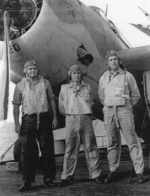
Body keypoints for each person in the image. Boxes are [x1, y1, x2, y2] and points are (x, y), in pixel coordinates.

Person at [98, 50, 146, 184]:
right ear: (107, 63)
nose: (113, 62)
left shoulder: (127, 76)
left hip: (124, 111)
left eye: (115, 59)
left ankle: (139, 171)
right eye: (110, 60)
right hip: (109, 112)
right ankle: (113, 170)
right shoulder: (103, 78)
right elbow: (102, 96)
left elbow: (136, 94)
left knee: (132, 140)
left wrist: (127, 105)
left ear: (119, 61)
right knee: (112, 142)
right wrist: (109, 105)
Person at [12, 59, 58, 191]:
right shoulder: (20, 86)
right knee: (27, 152)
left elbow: (51, 100)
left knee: (47, 149)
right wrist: (16, 124)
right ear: (25, 71)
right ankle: (27, 181)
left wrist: (55, 117)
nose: (32, 71)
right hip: (28, 120)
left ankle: (49, 178)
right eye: (30, 69)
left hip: (44, 118)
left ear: (38, 70)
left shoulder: (45, 83)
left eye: (34, 68)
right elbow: (16, 105)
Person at [58, 64, 102, 187]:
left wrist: (85, 113)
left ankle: (95, 174)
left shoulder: (87, 87)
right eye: (74, 73)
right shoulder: (64, 88)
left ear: (80, 75)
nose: (76, 75)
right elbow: (61, 107)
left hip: (86, 118)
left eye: (78, 73)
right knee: (70, 147)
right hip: (71, 118)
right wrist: (70, 114)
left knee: (91, 146)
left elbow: (91, 102)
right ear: (70, 75)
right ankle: (67, 175)